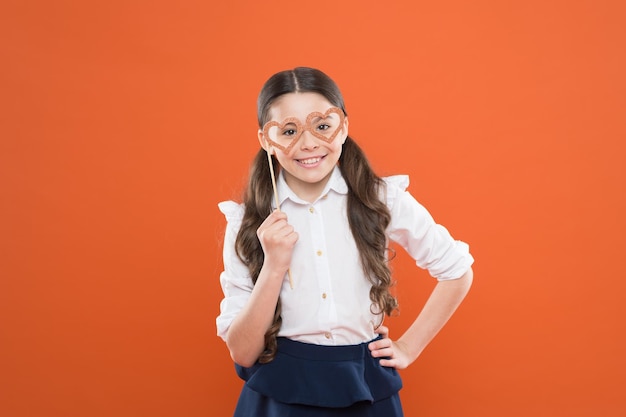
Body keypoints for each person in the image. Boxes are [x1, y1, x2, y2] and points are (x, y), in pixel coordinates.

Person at [217, 66, 474, 416]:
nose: (308, 143)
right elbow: (242, 352)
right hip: (279, 394)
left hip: (365, 386)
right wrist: (274, 266)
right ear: (266, 139)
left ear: (344, 127)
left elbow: (457, 271)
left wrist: (409, 347)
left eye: (322, 125)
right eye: (289, 130)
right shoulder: (247, 221)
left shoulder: (381, 199)